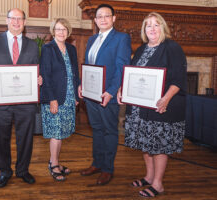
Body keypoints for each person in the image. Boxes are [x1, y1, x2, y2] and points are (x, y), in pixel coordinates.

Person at [117, 12, 187, 197]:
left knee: (158, 145)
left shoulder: (172, 47)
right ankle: (149, 176)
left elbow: (179, 79)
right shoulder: (141, 49)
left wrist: (166, 98)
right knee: (146, 142)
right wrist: (122, 89)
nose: (153, 29)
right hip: (140, 108)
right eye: (149, 25)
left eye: (157, 25)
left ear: (163, 27)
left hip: (162, 106)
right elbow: (132, 74)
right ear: (144, 30)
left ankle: (158, 184)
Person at [0, 8, 42, 188]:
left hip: (25, 102)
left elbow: (36, 68)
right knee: (0, 138)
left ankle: (23, 170)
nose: (16, 22)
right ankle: (4, 171)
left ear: (24, 22)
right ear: (7, 20)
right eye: (13, 19)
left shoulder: (32, 45)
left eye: (20, 19)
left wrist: (39, 78)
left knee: (26, 137)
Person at [78, 4, 131, 185]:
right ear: (95, 20)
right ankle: (97, 164)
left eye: (106, 16)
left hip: (108, 96)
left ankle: (108, 169)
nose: (103, 19)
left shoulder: (121, 38)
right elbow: (88, 65)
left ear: (114, 18)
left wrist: (110, 91)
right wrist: (81, 85)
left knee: (109, 131)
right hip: (91, 95)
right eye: (99, 16)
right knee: (97, 130)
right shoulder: (92, 39)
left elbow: (121, 68)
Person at [40, 18, 80, 181]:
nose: (61, 32)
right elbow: (46, 75)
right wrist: (52, 99)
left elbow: (75, 72)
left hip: (69, 96)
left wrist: (76, 96)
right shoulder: (48, 48)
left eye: (64, 29)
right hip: (55, 97)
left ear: (68, 31)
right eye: (58, 29)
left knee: (62, 132)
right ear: (53, 31)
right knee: (56, 132)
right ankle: (54, 164)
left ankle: (54, 161)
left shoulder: (71, 48)